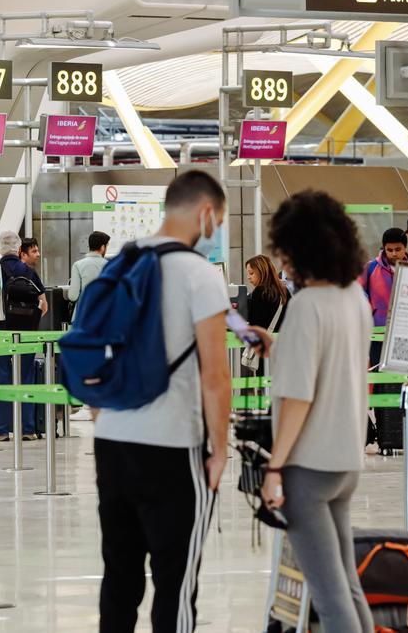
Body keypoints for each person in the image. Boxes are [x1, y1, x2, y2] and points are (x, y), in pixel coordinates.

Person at [93, 170, 232, 633]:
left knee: (120, 578)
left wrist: (107, 418)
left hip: (112, 442)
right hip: (172, 446)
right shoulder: (199, 274)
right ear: (206, 214)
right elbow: (215, 374)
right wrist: (219, 448)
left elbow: (89, 358)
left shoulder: (117, 266)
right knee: (175, 580)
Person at [261, 190, 375, 633]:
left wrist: (275, 467)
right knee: (346, 586)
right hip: (345, 459)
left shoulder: (307, 306)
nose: (283, 261)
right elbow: (332, 366)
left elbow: (298, 399)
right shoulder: (354, 299)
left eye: (286, 250)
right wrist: (279, 347)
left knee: (328, 598)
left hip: (308, 465)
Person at [0, 232, 47, 441]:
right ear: (19, 250)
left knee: (1, 377)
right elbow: (43, 305)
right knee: (26, 376)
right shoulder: (28, 271)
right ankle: (27, 429)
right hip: (26, 332)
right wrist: (31, 319)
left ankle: (1, 430)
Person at [68, 231, 110, 421]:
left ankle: (87, 405)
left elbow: (73, 295)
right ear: (102, 247)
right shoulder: (110, 266)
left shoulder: (79, 265)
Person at [360, 227, 408, 364]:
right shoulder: (371, 267)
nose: (393, 253)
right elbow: (358, 291)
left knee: (401, 371)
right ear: (384, 248)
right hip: (377, 331)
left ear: (405, 248)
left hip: (404, 332)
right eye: (390, 250)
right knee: (378, 371)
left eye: (398, 249)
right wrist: (368, 309)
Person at [245, 254, 290, 334]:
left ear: (262, 272)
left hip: (267, 341)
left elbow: (256, 325)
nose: (248, 277)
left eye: (251, 273)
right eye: (247, 274)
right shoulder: (285, 290)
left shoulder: (260, 292)